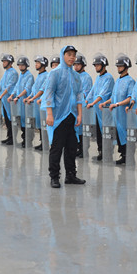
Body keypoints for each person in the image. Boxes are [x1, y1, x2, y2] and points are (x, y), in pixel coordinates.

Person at [43, 45, 86, 188]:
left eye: (74, 55)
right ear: (63, 56)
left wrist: (79, 114)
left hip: (72, 116)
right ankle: (54, 177)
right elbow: (49, 93)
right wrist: (49, 114)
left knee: (71, 148)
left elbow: (79, 96)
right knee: (56, 148)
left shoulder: (76, 76)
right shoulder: (55, 73)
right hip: (58, 117)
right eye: (69, 54)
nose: (72, 57)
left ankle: (71, 175)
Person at [102, 54, 135, 165]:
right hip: (116, 115)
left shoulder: (130, 81)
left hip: (124, 114)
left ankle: (128, 156)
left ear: (126, 67)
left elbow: (130, 98)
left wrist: (117, 104)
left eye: (120, 66)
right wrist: (106, 102)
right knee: (119, 135)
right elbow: (114, 96)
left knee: (126, 135)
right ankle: (123, 155)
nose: (118, 68)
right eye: (117, 66)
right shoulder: (118, 81)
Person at [85, 54, 114, 161]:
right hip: (97, 111)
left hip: (105, 110)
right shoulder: (98, 78)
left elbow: (103, 93)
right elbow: (93, 91)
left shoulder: (109, 78)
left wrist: (93, 103)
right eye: (95, 65)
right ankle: (101, 151)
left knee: (107, 132)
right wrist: (86, 100)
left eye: (98, 65)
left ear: (103, 65)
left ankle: (108, 152)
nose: (96, 67)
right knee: (98, 132)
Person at [7, 56, 35, 148]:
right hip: (20, 104)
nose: (20, 67)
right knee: (22, 122)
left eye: (22, 65)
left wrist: (18, 97)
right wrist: (12, 95)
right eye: (19, 65)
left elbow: (27, 89)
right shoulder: (21, 75)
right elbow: (16, 87)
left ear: (26, 65)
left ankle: (28, 140)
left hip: (26, 104)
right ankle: (24, 139)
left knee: (28, 122)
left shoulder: (29, 76)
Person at [0, 53, 18, 145]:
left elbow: (9, 86)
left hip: (9, 99)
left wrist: (1, 95)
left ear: (10, 63)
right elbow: (1, 84)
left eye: (5, 62)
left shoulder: (13, 73)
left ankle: (12, 138)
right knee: (6, 118)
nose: (3, 63)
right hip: (4, 99)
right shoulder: (6, 72)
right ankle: (9, 137)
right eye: (3, 62)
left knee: (11, 118)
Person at [25, 56, 49, 150]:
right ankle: (42, 142)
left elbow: (42, 90)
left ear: (43, 64)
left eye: (38, 63)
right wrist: (29, 97)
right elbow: (34, 89)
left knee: (44, 124)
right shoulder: (39, 75)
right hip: (36, 104)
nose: (36, 65)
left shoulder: (46, 75)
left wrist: (34, 98)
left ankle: (45, 143)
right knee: (39, 124)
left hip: (42, 104)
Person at [74, 55, 93, 158]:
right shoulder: (74, 76)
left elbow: (85, 93)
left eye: (78, 64)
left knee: (83, 130)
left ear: (83, 65)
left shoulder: (87, 77)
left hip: (83, 107)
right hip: (75, 107)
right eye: (75, 65)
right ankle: (77, 148)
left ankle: (83, 149)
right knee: (76, 129)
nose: (76, 67)